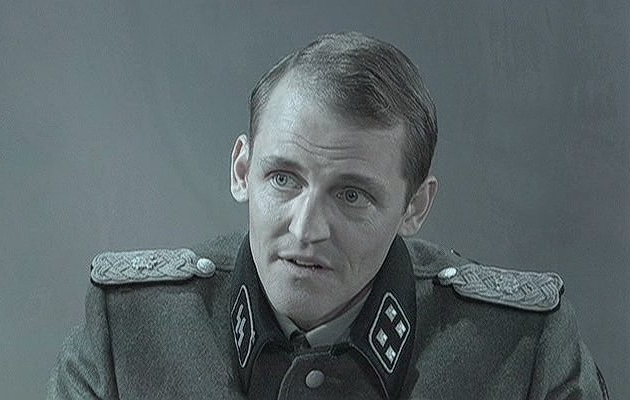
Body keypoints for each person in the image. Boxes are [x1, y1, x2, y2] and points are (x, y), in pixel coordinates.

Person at [47, 32, 608, 399]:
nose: (305, 228)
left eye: (352, 195)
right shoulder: (130, 330)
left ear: (415, 207)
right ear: (242, 170)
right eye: (283, 179)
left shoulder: (522, 349)